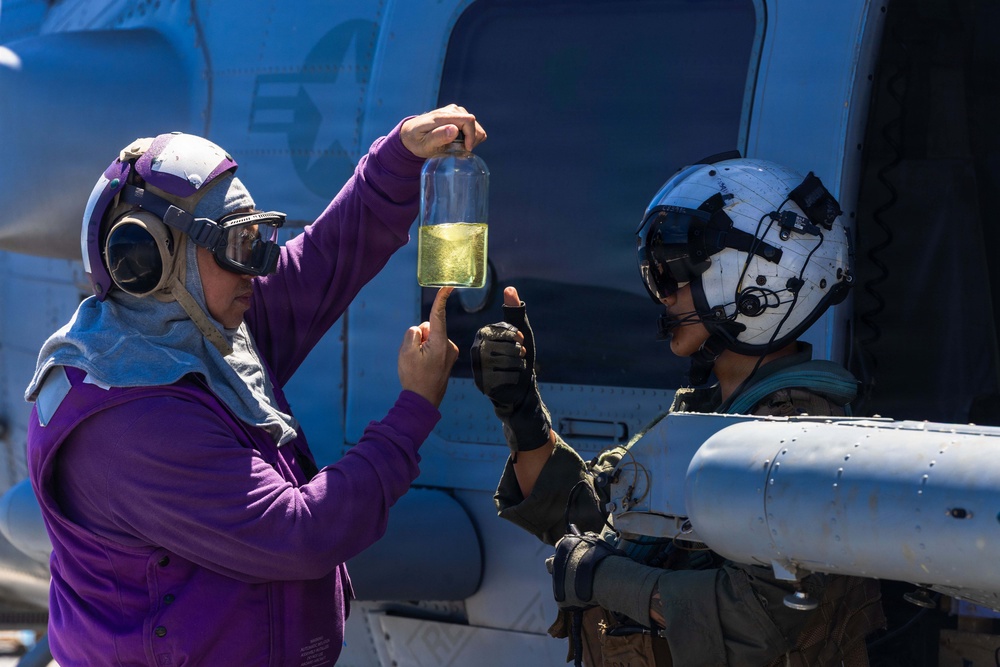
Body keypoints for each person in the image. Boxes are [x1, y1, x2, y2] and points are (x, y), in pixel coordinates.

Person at [24, 105, 483, 666]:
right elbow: (301, 535)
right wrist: (413, 409)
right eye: (237, 246)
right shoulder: (133, 421)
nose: (259, 268)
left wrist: (400, 157)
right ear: (150, 260)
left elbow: (324, 262)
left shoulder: (197, 328)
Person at [471, 155, 886, 666]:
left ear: (757, 283)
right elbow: (589, 518)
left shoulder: (799, 438)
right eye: (656, 276)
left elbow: (755, 621)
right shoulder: (701, 417)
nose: (662, 295)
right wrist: (521, 412)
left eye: (675, 274)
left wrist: (601, 577)